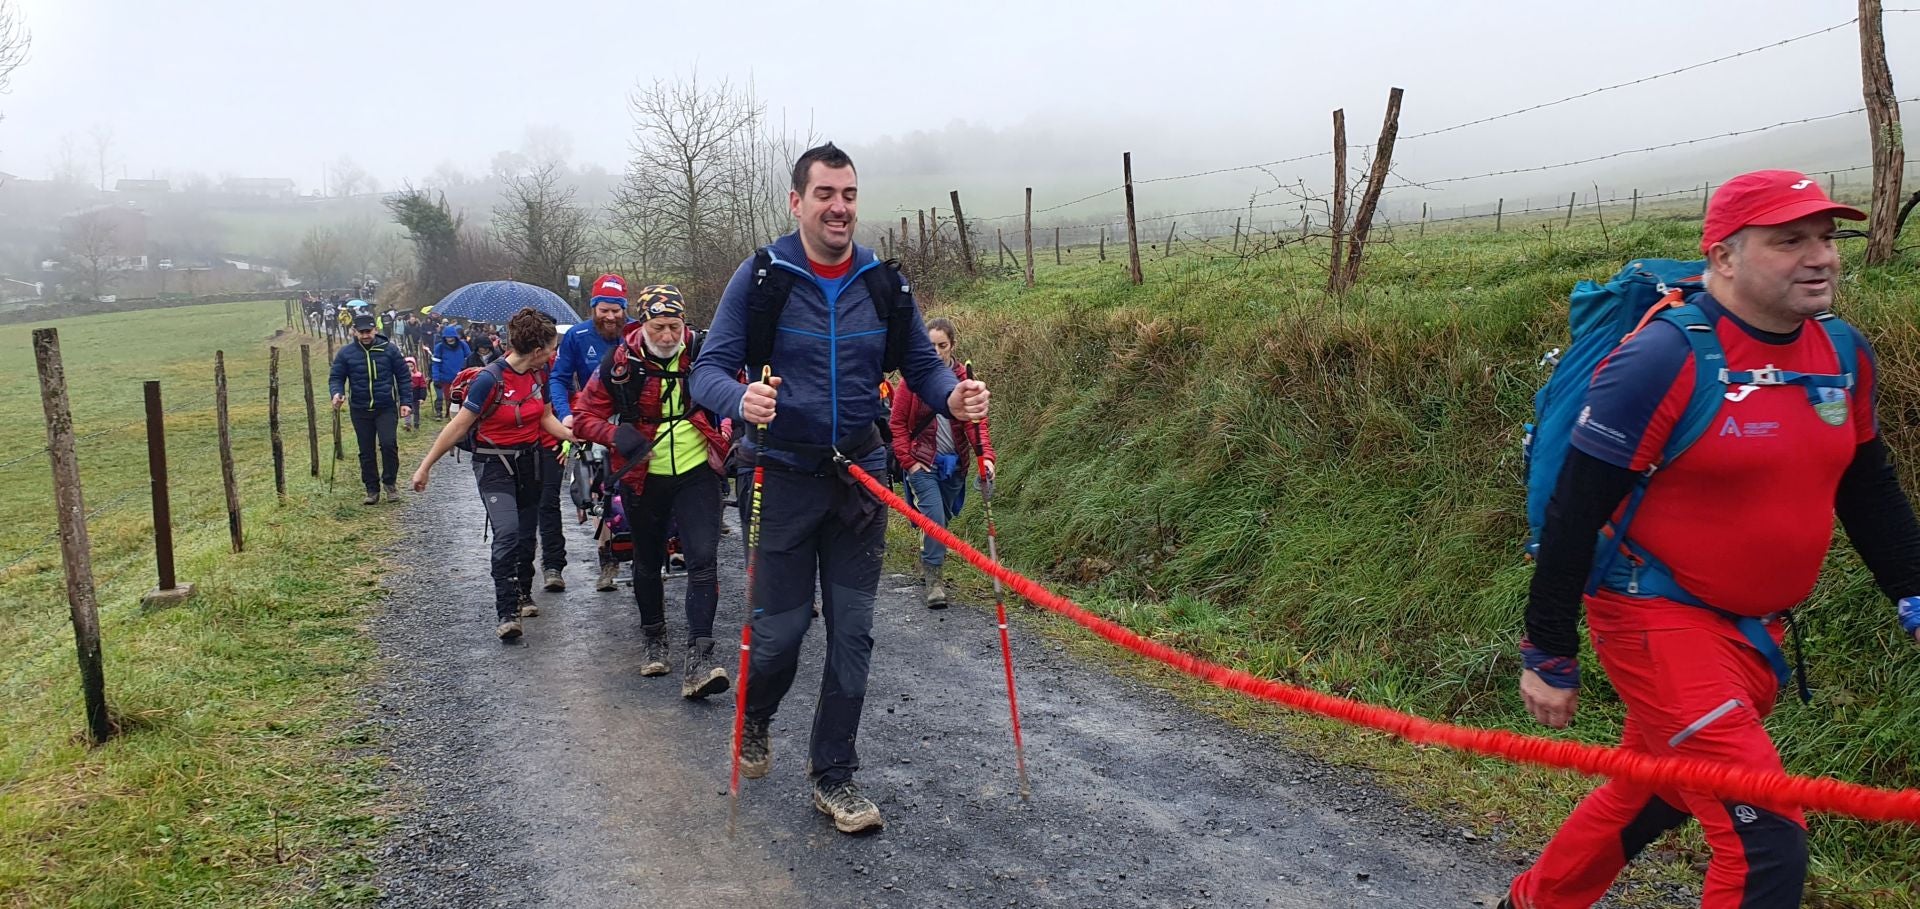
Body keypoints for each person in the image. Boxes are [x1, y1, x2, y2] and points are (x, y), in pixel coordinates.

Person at [1506, 170, 1920, 909]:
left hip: (1749, 633)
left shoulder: (1843, 352)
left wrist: (1914, 590)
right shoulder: (1663, 358)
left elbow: (1867, 484)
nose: (1820, 256)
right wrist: (1547, 650)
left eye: (1827, 237)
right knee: (1766, 836)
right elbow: (1575, 508)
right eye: (1789, 240)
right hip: (1654, 621)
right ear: (1723, 258)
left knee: (1656, 789)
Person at [691, 142, 991, 834]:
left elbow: (922, 365)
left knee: (853, 634)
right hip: (780, 474)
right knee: (781, 636)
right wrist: (741, 400)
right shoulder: (764, 276)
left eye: (849, 194)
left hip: (860, 476)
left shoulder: (883, 283)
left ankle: (835, 775)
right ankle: (757, 714)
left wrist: (955, 399)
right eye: (825, 194)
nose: (839, 207)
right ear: (796, 202)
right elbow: (707, 370)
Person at [574, 284, 733, 697]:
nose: (667, 336)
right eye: (659, 327)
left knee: (703, 558)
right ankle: (654, 638)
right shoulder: (619, 361)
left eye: (674, 326)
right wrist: (613, 433)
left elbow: (735, 394)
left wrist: (730, 436)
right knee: (647, 560)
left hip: (698, 470)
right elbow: (582, 416)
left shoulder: (702, 351)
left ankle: (700, 655)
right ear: (641, 324)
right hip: (642, 473)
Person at [410, 308, 574, 641]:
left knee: (527, 533)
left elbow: (545, 419)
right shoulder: (490, 379)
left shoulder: (539, 376)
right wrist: (425, 466)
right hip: (493, 464)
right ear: (537, 348)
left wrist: (580, 436)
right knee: (508, 532)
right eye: (552, 347)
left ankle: (523, 593)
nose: (554, 353)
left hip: (530, 462)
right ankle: (507, 612)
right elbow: (458, 426)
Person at [890, 318, 995, 609]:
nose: (935, 351)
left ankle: (930, 558)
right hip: (923, 464)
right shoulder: (913, 381)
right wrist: (909, 463)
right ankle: (934, 581)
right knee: (935, 520)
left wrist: (986, 459)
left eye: (942, 345)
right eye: (930, 346)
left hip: (955, 466)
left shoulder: (965, 382)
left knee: (943, 521)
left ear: (953, 346)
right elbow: (896, 424)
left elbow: (978, 427)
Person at [541, 273, 637, 590]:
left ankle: (646, 553)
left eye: (616, 309)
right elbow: (558, 378)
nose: (610, 316)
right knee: (596, 493)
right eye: (603, 309)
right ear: (593, 307)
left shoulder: (638, 332)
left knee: (637, 488)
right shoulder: (578, 336)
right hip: (592, 422)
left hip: (634, 423)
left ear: (625, 308)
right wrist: (567, 415)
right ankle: (606, 557)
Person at [329, 311, 414, 504]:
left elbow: (403, 377)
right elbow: (336, 377)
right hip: (359, 408)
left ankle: (390, 484)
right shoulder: (346, 353)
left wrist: (406, 402)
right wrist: (336, 392)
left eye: (369, 331)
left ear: (375, 330)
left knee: (388, 445)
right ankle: (371, 489)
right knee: (366, 450)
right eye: (362, 332)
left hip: (386, 407)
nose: (366, 335)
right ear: (354, 332)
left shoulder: (389, 350)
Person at [429, 325, 470, 420]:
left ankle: (459, 417)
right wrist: (436, 378)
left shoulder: (463, 345)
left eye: (451, 337)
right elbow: (435, 364)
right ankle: (450, 415)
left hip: (461, 378)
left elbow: (469, 359)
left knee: (461, 398)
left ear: (455, 336)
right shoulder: (440, 347)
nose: (449, 339)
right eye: (447, 337)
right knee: (449, 398)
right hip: (446, 378)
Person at [404, 356, 428, 432]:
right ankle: (407, 424)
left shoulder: (418, 375)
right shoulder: (403, 376)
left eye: (411, 366)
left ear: (414, 366)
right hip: (406, 396)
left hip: (416, 396)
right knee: (407, 410)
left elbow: (423, 386)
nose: (409, 368)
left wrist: (422, 397)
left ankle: (416, 424)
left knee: (416, 411)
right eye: (407, 366)